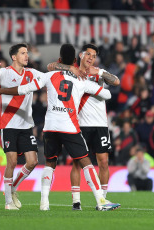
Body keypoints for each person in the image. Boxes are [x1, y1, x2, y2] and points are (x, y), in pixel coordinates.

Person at [0, 44, 121, 211]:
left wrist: (1, 91)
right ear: (75, 60)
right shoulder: (81, 80)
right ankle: (101, 201)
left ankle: (44, 204)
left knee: (49, 164)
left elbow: (24, 89)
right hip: (69, 126)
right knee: (86, 163)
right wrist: (88, 88)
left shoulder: (50, 76)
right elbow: (108, 94)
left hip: (50, 127)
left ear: (59, 60)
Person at [47, 43, 120, 211]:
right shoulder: (71, 72)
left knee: (104, 162)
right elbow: (51, 66)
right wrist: (69, 68)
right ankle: (76, 202)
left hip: (100, 123)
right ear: (80, 55)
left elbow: (116, 81)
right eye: (88, 54)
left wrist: (100, 72)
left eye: (94, 56)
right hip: (80, 123)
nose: (91, 58)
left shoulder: (98, 73)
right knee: (77, 163)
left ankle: (102, 198)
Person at [0, 43, 42, 210]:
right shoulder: (5, 73)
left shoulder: (31, 73)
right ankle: (8, 202)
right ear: (14, 57)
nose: (27, 56)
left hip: (26, 125)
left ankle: (14, 186)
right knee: (12, 162)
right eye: (23, 53)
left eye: (27, 53)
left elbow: (48, 77)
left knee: (32, 162)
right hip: (8, 124)